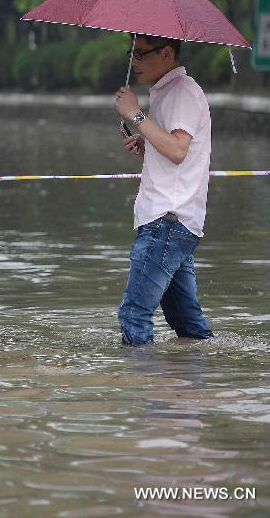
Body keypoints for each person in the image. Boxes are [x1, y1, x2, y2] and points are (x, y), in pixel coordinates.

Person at [114, 34, 215, 346]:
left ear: (167, 53)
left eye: (142, 54)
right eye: (133, 53)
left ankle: (143, 389)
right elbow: (173, 148)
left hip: (167, 224)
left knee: (134, 312)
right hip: (175, 222)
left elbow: (177, 150)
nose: (135, 61)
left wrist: (136, 114)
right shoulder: (169, 92)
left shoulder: (181, 92)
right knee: (187, 324)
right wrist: (148, 142)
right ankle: (200, 380)